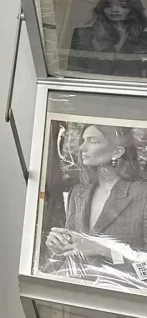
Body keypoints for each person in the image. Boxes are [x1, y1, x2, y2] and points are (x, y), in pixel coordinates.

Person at [45, 123, 147, 288]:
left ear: (117, 152)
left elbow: (145, 268)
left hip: (123, 299)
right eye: (83, 140)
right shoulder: (77, 193)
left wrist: (103, 250)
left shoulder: (142, 195)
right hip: (75, 295)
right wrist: (58, 247)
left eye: (93, 141)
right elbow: (69, 257)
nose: (81, 148)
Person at [68, 0, 147, 77]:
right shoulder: (82, 34)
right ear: (102, 9)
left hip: (130, 84)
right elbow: (74, 69)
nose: (114, 9)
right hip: (91, 83)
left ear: (133, 10)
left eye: (123, 6)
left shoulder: (143, 38)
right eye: (108, 6)